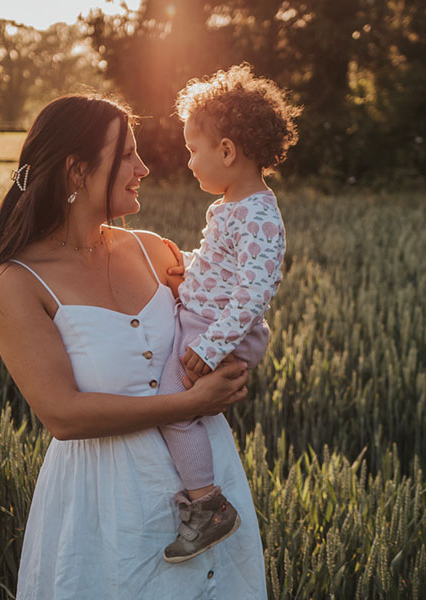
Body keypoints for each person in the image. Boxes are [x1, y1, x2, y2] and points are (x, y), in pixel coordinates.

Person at [0, 93, 267, 598]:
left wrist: (229, 362)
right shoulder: (14, 283)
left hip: (212, 492)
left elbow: (224, 318)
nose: (143, 167)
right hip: (107, 505)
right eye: (127, 154)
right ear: (77, 171)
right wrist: (191, 402)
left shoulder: (154, 250)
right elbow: (62, 415)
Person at [156, 64, 301, 563]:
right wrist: (188, 270)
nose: (189, 161)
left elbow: (254, 292)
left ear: (226, 151)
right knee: (175, 404)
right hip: (208, 321)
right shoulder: (232, 207)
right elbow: (223, 268)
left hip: (220, 332)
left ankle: (207, 506)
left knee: (175, 409)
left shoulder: (259, 214)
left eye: (194, 150)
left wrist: (210, 345)